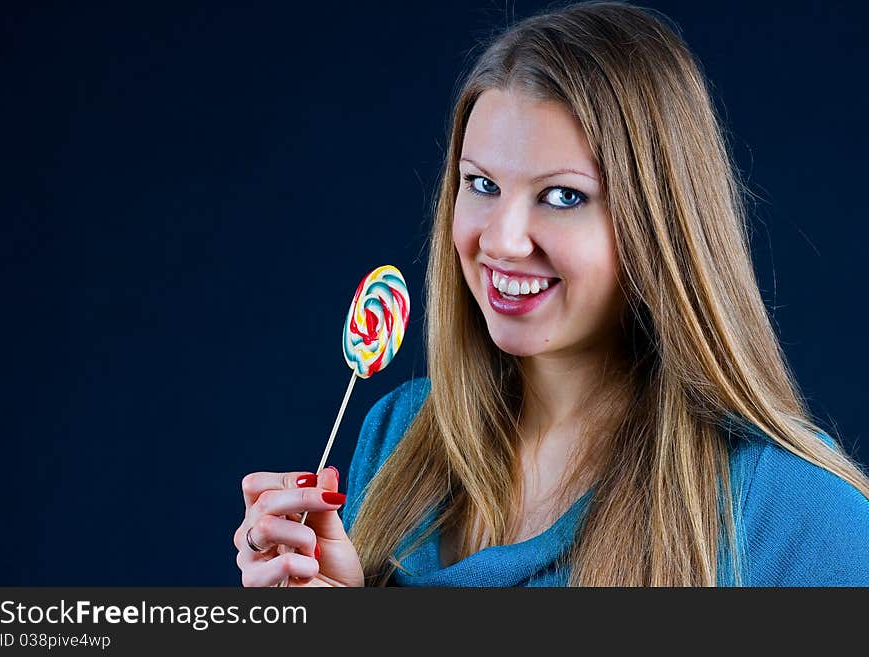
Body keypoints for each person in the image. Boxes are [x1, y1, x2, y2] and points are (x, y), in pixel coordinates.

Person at [233, 0, 869, 587]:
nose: (504, 241)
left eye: (564, 196)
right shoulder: (400, 436)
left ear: (660, 225)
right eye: (481, 184)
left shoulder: (791, 510)